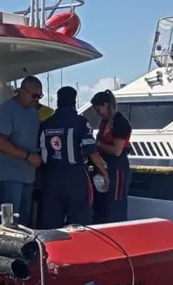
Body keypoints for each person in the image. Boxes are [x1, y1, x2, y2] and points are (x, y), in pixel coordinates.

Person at [38, 86, 109, 229]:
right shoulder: (81, 122)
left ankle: (52, 250)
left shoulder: (46, 124)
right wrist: (104, 173)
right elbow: (91, 151)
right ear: (74, 102)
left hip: (50, 177)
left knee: (51, 221)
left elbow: (39, 150)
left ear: (58, 102)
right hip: (75, 177)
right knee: (79, 221)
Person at [0, 76, 43, 226]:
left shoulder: (34, 113)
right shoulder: (6, 110)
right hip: (10, 176)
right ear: (22, 91)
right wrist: (28, 156)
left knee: (24, 223)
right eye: (34, 96)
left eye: (40, 96)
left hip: (28, 176)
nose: (37, 100)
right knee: (11, 223)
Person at [90, 89, 132, 223]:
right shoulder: (104, 122)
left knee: (115, 203)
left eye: (98, 109)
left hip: (117, 167)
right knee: (103, 204)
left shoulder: (120, 122)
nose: (97, 113)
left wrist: (99, 144)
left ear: (106, 106)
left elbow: (117, 150)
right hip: (104, 166)